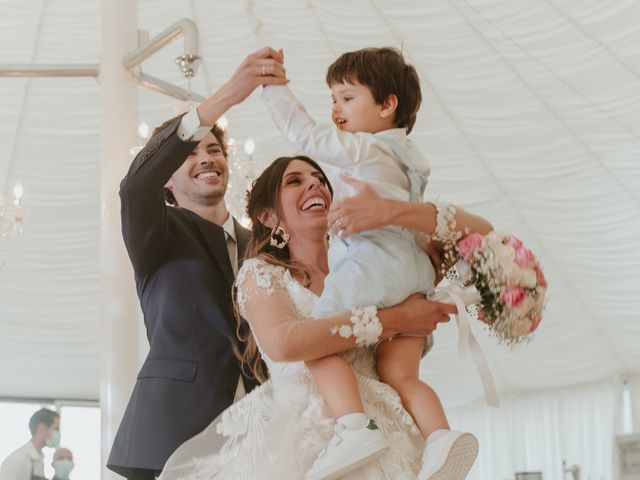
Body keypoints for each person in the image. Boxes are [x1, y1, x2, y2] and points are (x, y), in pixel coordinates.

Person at [158, 155, 475, 480]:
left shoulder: (366, 272)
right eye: (295, 181)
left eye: (321, 180)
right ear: (269, 216)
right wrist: (393, 319)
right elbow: (284, 342)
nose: (315, 184)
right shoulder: (262, 274)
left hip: (391, 432)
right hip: (310, 437)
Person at [261, 47, 492, 479]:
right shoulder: (411, 159)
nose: (335, 110)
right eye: (332, 99)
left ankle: (353, 426)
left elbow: (304, 135)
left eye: (346, 98)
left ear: (387, 106)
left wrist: (272, 88)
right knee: (400, 373)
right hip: (415, 270)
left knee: (319, 341)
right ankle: (439, 437)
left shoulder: (365, 149)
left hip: (372, 265)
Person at [106, 47, 290, 480]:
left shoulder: (264, 244)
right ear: (167, 177)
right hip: (175, 431)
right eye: (191, 153)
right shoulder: (156, 233)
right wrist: (224, 98)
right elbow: (135, 185)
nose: (207, 157)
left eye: (215, 150)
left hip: (264, 431)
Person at [0, 408, 60, 480]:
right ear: (42, 429)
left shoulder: (38, 459)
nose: (58, 434)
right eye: (56, 429)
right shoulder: (18, 460)